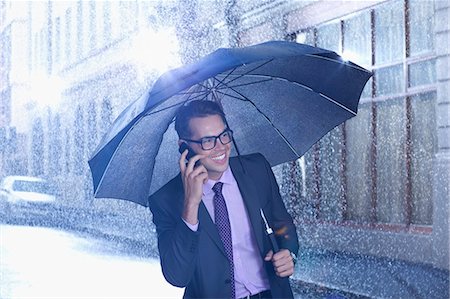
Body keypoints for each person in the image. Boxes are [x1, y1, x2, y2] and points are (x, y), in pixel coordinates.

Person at [149, 100, 299, 299]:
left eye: (224, 135)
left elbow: (283, 225)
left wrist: (289, 253)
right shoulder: (166, 199)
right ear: (184, 146)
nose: (221, 147)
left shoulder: (256, 169)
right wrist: (191, 204)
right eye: (208, 141)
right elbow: (177, 275)